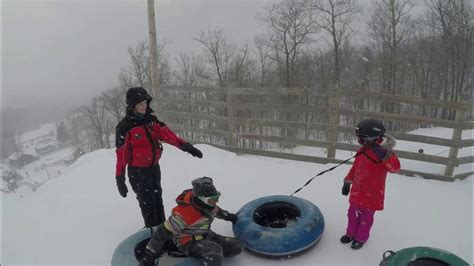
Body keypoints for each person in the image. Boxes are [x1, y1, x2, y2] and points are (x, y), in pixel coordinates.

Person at [115, 87, 203, 228]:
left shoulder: (151, 120)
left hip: (153, 168)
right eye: (140, 104)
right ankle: (151, 233)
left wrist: (186, 147)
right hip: (138, 172)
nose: (144, 106)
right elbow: (121, 156)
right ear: (132, 106)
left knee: (157, 199)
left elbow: (167, 135)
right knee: (147, 203)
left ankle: (162, 230)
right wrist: (120, 178)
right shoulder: (124, 127)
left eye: (145, 102)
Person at [139, 176, 242, 266]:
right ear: (200, 199)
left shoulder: (208, 206)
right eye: (212, 200)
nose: (215, 202)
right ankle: (206, 256)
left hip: (206, 234)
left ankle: (208, 256)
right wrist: (149, 255)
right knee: (214, 250)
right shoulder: (184, 214)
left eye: (216, 198)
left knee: (235, 246)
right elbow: (162, 232)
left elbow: (217, 211)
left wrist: (228, 216)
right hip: (187, 241)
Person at [340, 119, 400, 250]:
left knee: (365, 219)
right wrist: (347, 182)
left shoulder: (385, 153)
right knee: (352, 214)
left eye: (362, 139)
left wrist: (385, 155)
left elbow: (395, 168)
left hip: (372, 194)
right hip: (357, 192)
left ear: (373, 138)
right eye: (359, 139)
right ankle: (350, 234)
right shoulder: (361, 151)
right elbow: (355, 168)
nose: (360, 142)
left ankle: (360, 238)